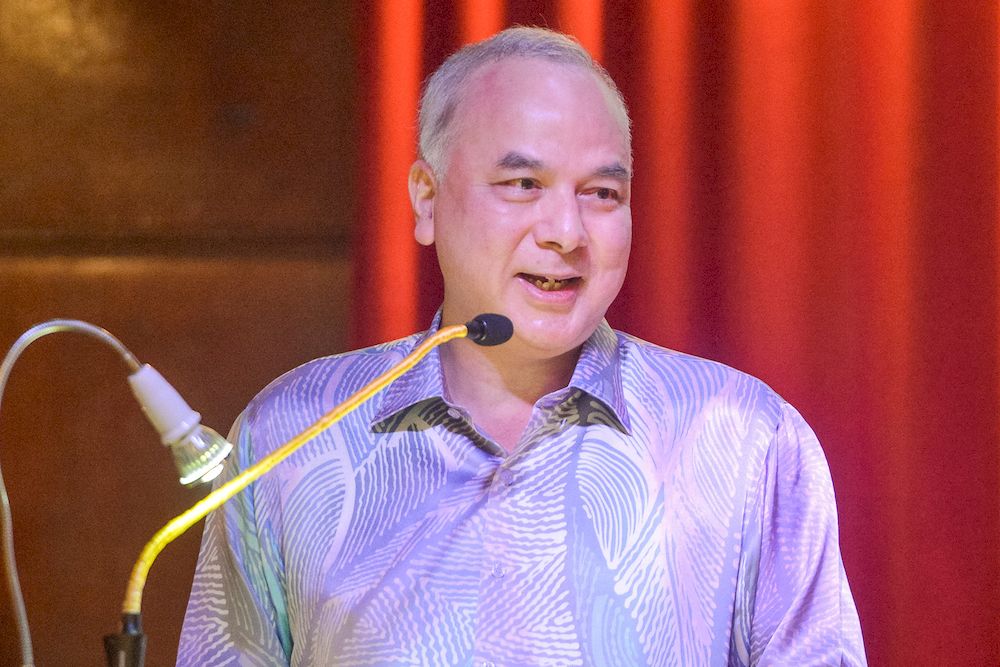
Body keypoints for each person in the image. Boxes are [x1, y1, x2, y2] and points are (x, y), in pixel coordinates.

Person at [178, 27, 866, 666]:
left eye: (601, 193)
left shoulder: (745, 439)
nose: (566, 231)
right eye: (523, 185)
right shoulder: (293, 436)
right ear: (426, 198)